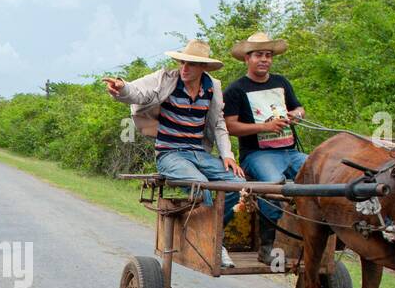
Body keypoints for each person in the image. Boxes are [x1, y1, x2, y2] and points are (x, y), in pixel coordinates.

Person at [104, 39, 242, 268]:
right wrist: (122, 88)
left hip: (199, 153)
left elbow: (218, 123)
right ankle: (214, 244)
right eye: (182, 62)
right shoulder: (167, 80)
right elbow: (139, 93)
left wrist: (228, 155)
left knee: (238, 184)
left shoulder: (211, 87)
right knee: (201, 185)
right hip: (170, 154)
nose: (184, 68)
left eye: (191, 64)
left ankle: (213, 233)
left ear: (203, 68)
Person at [222, 31, 308, 263]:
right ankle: (267, 246)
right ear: (247, 59)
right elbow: (230, 126)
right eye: (259, 55)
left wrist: (295, 115)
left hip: (290, 151)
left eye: (268, 55)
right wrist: (264, 127)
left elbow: (300, 108)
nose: (264, 60)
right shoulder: (236, 90)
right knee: (274, 187)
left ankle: (317, 236)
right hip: (257, 154)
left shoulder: (281, 82)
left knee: (320, 174)